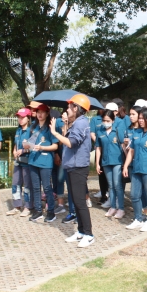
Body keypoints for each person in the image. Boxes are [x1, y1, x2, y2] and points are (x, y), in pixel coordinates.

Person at [50, 94, 94, 248]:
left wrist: (55, 133)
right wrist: (65, 125)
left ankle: (89, 234)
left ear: (76, 108)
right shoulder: (76, 123)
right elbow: (68, 139)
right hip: (72, 166)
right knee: (76, 201)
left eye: (69, 107)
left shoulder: (81, 123)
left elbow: (71, 142)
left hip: (78, 167)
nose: (67, 110)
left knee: (80, 202)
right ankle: (81, 232)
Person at [27, 104, 59, 222]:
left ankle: (51, 211)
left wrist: (42, 148)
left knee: (47, 187)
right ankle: (38, 210)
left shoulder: (50, 128)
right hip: (33, 160)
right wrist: (27, 145)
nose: (40, 114)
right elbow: (29, 143)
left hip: (45, 161)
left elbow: (55, 146)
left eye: (42, 112)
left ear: (47, 113)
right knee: (35, 187)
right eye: (38, 112)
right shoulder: (33, 127)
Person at [95, 111, 126, 219]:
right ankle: (112, 207)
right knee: (111, 186)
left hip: (117, 161)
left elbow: (123, 146)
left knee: (118, 185)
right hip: (106, 161)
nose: (105, 122)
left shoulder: (117, 131)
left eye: (108, 120)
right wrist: (97, 163)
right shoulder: (100, 131)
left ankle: (121, 208)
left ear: (113, 120)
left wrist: (126, 163)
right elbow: (98, 148)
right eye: (104, 120)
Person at [8, 108, 33, 217]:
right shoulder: (18, 130)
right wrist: (14, 151)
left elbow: (33, 146)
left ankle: (28, 207)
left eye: (23, 117)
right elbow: (15, 144)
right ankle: (17, 206)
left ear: (28, 118)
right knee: (15, 183)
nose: (20, 119)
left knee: (27, 185)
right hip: (18, 162)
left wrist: (23, 151)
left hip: (27, 162)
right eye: (19, 117)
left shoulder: (31, 130)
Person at [90, 103, 109, 204]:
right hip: (100, 149)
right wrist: (99, 143)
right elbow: (92, 133)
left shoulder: (113, 119)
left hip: (110, 151)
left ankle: (111, 195)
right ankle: (103, 194)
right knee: (101, 173)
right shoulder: (95, 119)